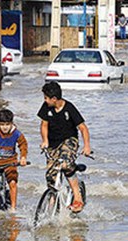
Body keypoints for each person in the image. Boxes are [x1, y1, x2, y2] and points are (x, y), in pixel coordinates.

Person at [37, 81, 91, 213]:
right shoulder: (46, 107)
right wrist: (45, 141)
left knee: (66, 164)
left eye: (46, 98)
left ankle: (78, 198)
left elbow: (83, 128)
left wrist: (87, 146)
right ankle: (52, 199)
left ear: (54, 99)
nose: (45, 100)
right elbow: (44, 125)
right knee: (51, 176)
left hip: (69, 140)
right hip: (53, 143)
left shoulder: (69, 108)